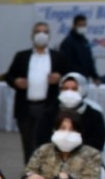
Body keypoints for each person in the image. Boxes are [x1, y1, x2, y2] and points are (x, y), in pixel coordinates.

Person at [5, 22, 68, 163]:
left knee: (47, 142)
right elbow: (9, 76)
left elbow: (69, 77)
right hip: (25, 107)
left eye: (45, 32)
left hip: (48, 106)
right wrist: (16, 81)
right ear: (32, 35)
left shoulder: (58, 57)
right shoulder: (22, 56)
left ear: (49, 35)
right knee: (28, 143)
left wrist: (59, 78)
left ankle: (45, 170)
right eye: (38, 31)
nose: (41, 35)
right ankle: (30, 171)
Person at [57, 72, 105, 151]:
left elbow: (97, 143)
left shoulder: (94, 116)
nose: (69, 93)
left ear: (83, 90)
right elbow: (42, 141)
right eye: (65, 89)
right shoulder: (49, 114)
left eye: (74, 89)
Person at [59, 14, 100, 83]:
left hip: (84, 79)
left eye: (84, 25)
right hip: (72, 79)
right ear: (74, 26)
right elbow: (66, 63)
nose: (82, 27)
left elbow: (89, 61)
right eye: (80, 25)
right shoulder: (68, 42)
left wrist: (95, 76)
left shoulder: (85, 41)